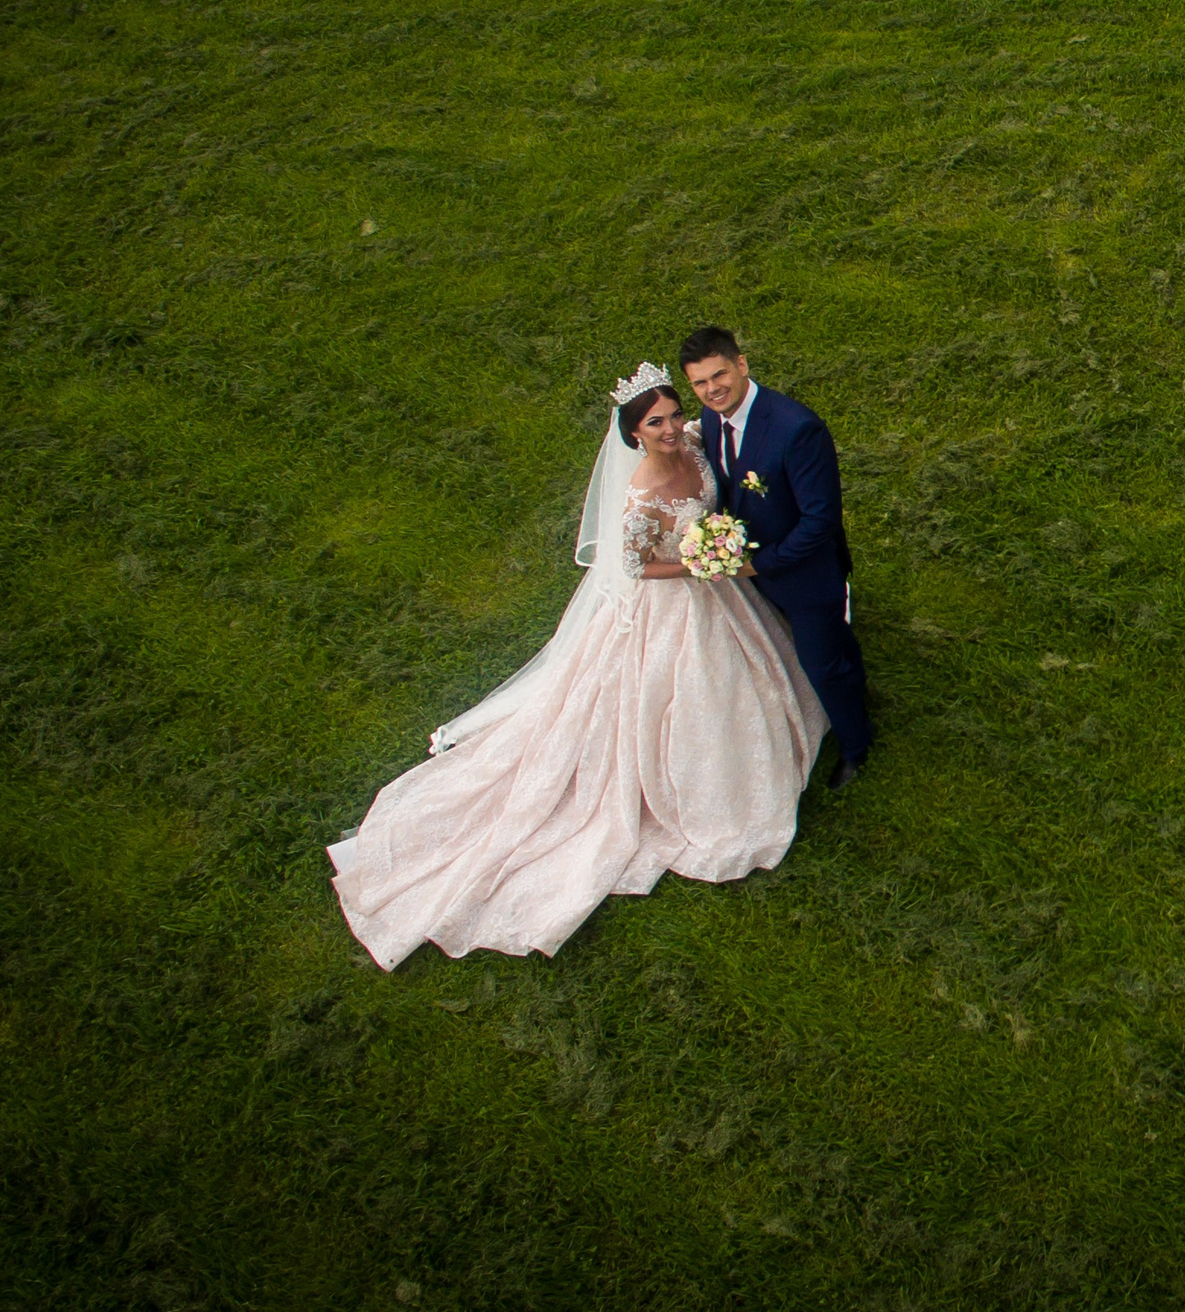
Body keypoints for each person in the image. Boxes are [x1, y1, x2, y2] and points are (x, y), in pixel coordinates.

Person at [327, 364, 827, 971]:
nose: (671, 429)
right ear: (633, 434)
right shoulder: (641, 495)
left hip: (719, 592)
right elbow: (637, 567)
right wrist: (702, 564)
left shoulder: (695, 441)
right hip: (673, 602)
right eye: (655, 423)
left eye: (672, 415)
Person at [679, 326, 874, 789]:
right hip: (753, 570)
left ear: (742, 364)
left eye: (720, 374)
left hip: (808, 575)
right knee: (829, 649)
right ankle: (855, 679)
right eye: (700, 383)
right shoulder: (710, 420)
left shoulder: (797, 428)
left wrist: (758, 565)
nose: (712, 390)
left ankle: (856, 745)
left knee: (821, 665)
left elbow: (819, 521)